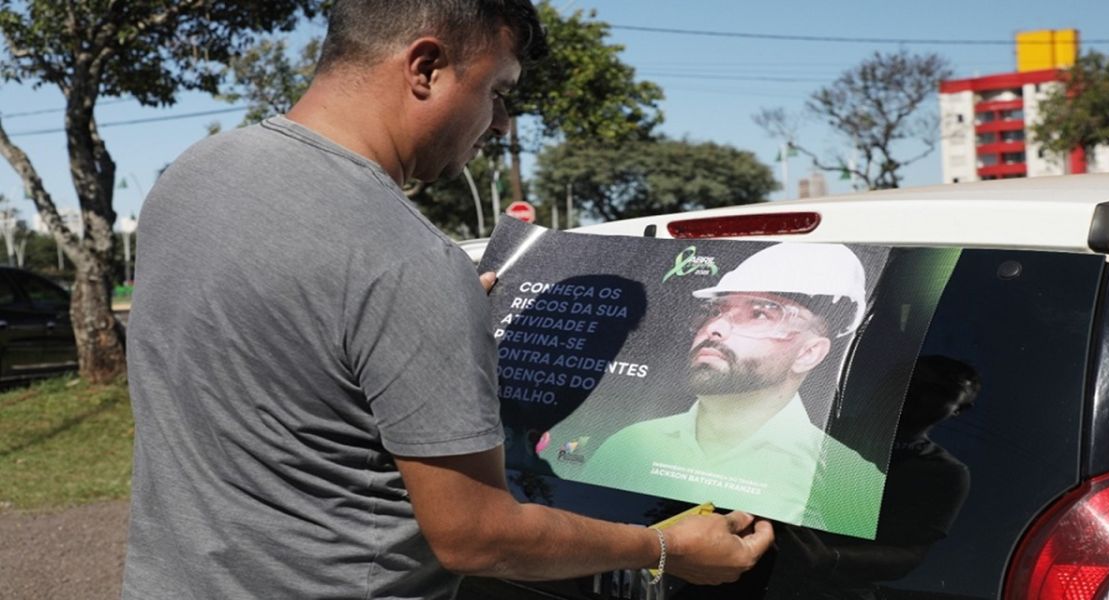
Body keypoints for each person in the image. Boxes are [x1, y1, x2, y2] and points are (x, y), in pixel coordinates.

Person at [121, 2, 772, 599]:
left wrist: (425, 325)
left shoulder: (193, 175)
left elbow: (281, 355)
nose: (501, 122)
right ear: (426, 67)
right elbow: (476, 537)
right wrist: (664, 547)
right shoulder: (407, 263)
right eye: (497, 91)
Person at [581, 243, 883, 527]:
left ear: (809, 353)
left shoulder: (847, 480)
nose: (715, 327)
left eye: (760, 313)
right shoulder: (627, 446)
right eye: (716, 311)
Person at [772, 355, 981, 599]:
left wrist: (829, 558)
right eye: (911, 381)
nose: (918, 394)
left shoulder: (943, 473)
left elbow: (911, 553)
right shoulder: (820, 429)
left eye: (939, 391)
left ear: (960, 408)